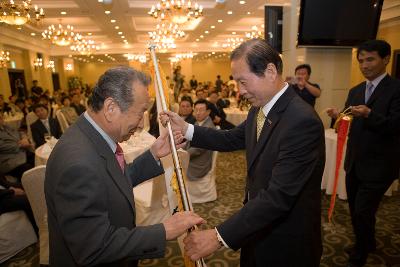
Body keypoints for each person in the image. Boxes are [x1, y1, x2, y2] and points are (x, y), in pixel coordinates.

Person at [162, 38, 325, 266]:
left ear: (269, 71)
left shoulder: (301, 121)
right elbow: (232, 138)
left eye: (243, 82)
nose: (239, 91)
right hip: (256, 227)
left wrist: (218, 236)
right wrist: (186, 128)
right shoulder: (259, 108)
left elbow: (278, 196)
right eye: (236, 82)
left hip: (286, 241)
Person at [44, 66, 204, 267]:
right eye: (140, 114)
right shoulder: (78, 163)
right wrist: (163, 231)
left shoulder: (91, 137)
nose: (140, 125)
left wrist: (153, 154)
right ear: (111, 108)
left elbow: (112, 181)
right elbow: (94, 247)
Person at [326, 40, 400, 267]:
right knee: (356, 209)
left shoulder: (396, 89)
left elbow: (396, 126)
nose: (364, 65)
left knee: (362, 211)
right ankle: (368, 242)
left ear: (385, 59)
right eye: (361, 61)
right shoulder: (356, 90)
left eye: (370, 59)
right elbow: (347, 123)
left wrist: (369, 114)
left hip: (380, 164)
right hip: (355, 161)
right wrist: (337, 116)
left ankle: (361, 251)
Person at [186, 99, 215, 180]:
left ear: (208, 112)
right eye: (196, 110)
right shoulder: (198, 122)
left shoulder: (208, 128)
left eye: (201, 110)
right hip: (194, 157)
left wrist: (181, 155)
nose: (197, 113)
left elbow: (197, 150)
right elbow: (188, 140)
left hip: (198, 165)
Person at [0, 113, 34, 180]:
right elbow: (2, 146)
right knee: (30, 171)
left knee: (37, 160)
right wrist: (20, 145)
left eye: (1, 117)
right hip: (9, 161)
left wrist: (24, 138)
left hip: (22, 153)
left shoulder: (6, 127)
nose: (1, 119)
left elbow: (20, 132)